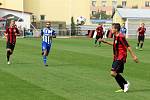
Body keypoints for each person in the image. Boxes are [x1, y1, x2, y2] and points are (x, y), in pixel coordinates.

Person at [98, 23, 138, 93]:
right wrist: (105, 41)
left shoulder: (121, 36)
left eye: (112, 28)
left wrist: (134, 56)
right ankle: (123, 87)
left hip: (121, 56)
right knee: (115, 73)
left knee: (113, 73)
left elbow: (128, 46)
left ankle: (125, 83)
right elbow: (115, 44)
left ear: (116, 29)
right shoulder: (115, 36)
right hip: (116, 56)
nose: (111, 29)